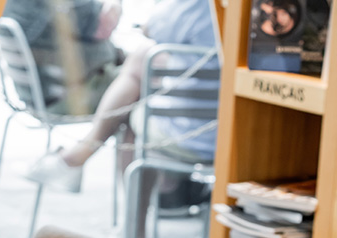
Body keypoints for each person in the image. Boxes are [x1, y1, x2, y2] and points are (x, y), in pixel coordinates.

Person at [26, 0, 219, 193]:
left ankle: (132, 217)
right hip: (233, 132)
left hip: (64, 94)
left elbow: (142, 28)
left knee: (134, 102)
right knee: (141, 66)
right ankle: (76, 157)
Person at [2, 0, 124, 116]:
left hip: (33, 95)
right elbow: (104, 25)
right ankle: (98, 137)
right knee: (140, 76)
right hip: (70, 95)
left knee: (136, 63)